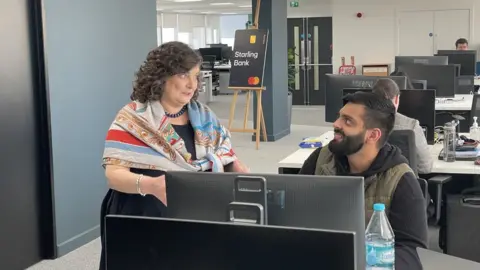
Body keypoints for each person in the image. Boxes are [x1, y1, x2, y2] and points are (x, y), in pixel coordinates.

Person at [98, 41, 249, 269]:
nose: (192, 84)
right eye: (183, 75)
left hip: (194, 214)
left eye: (196, 76)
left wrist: (234, 167)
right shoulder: (134, 118)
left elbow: (224, 156)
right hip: (142, 216)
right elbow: (114, 174)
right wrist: (151, 185)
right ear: (161, 77)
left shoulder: (205, 116)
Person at [299, 92, 428, 270]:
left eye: (348, 121)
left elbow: (411, 253)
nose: (336, 124)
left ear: (373, 135)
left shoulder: (401, 180)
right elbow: (293, 211)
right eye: (339, 117)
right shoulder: (320, 160)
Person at [372, 78, 433, 174]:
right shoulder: (411, 126)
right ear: (396, 99)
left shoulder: (360, 123)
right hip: (404, 185)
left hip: (369, 186)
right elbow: (425, 167)